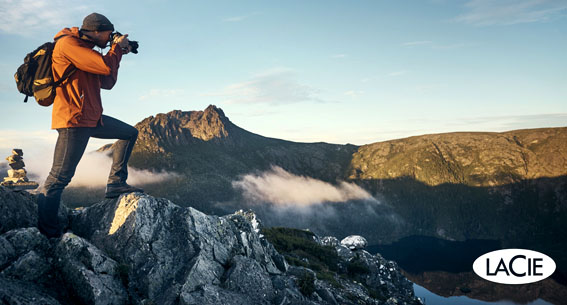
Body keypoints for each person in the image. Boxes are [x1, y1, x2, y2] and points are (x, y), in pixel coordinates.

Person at [37, 13, 143, 238]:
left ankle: (115, 183)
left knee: (129, 133)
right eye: (108, 33)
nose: (110, 38)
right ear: (95, 31)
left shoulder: (87, 52)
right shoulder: (68, 44)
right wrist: (114, 49)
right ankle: (48, 233)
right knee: (58, 178)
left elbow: (107, 82)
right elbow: (105, 68)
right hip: (74, 120)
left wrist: (119, 53)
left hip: (92, 118)